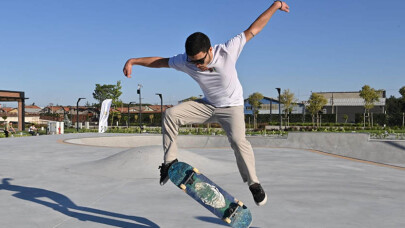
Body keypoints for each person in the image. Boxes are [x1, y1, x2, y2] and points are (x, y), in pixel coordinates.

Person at [123, 1, 290, 206]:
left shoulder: (228, 50)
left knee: (239, 142)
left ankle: (254, 183)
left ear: (210, 50)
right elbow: (160, 61)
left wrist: (276, 5)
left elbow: (254, 29)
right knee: (170, 114)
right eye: (193, 62)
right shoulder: (186, 61)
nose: (198, 66)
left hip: (232, 107)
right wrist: (133, 61)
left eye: (201, 61)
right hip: (207, 106)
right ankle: (169, 162)